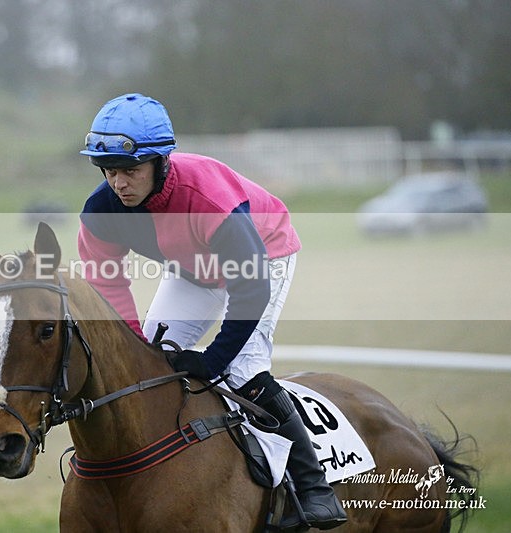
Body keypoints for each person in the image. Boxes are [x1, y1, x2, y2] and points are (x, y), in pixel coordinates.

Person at [77, 93, 346, 530]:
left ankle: (313, 487)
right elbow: (108, 283)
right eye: (109, 171)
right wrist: (137, 345)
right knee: (150, 363)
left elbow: (250, 288)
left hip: (263, 257)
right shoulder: (101, 210)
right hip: (196, 266)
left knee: (242, 371)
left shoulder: (205, 196)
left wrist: (214, 359)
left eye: (130, 170)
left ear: (161, 163)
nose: (118, 183)